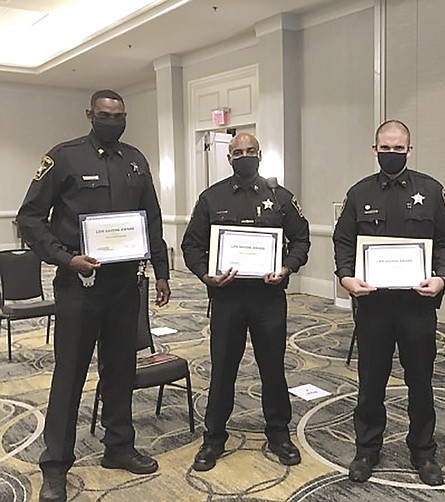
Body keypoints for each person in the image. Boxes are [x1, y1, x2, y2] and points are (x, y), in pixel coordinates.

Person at [17, 89, 171, 502]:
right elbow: (29, 218)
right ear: (90, 115)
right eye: (105, 114)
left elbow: (152, 217)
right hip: (79, 286)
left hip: (125, 287)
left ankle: (118, 447)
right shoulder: (63, 157)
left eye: (119, 115)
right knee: (69, 375)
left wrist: (161, 271)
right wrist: (66, 260)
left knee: (120, 370)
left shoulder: (136, 160)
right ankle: (55, 467)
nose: (113, 121)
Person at [333, 119, 445, 486]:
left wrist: (441, 276)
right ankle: (367, 448)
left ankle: (423, 450)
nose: (391, 153)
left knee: (420, 379)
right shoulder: (358, 194)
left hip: (416, 306)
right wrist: (345, 277)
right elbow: (343, 241)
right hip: (373, 306)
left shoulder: (431, 191)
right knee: (371, 380)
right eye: (384, 148)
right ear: (375, 150)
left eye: (398, 148)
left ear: (409, 149)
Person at [181, 132, 310, 472]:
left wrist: (287, 267)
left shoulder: (280, 198)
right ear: (229, 157)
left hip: (268, 300)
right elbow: (191, 245)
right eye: (238, 152)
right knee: (222, 370)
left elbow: (302, 240)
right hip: (227, 299)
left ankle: (279, 433)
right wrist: (205, 275)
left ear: (260, 154)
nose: (244, 156)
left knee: (273, 369)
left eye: (250, 151)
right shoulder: (211, 198)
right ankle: (213, 438)